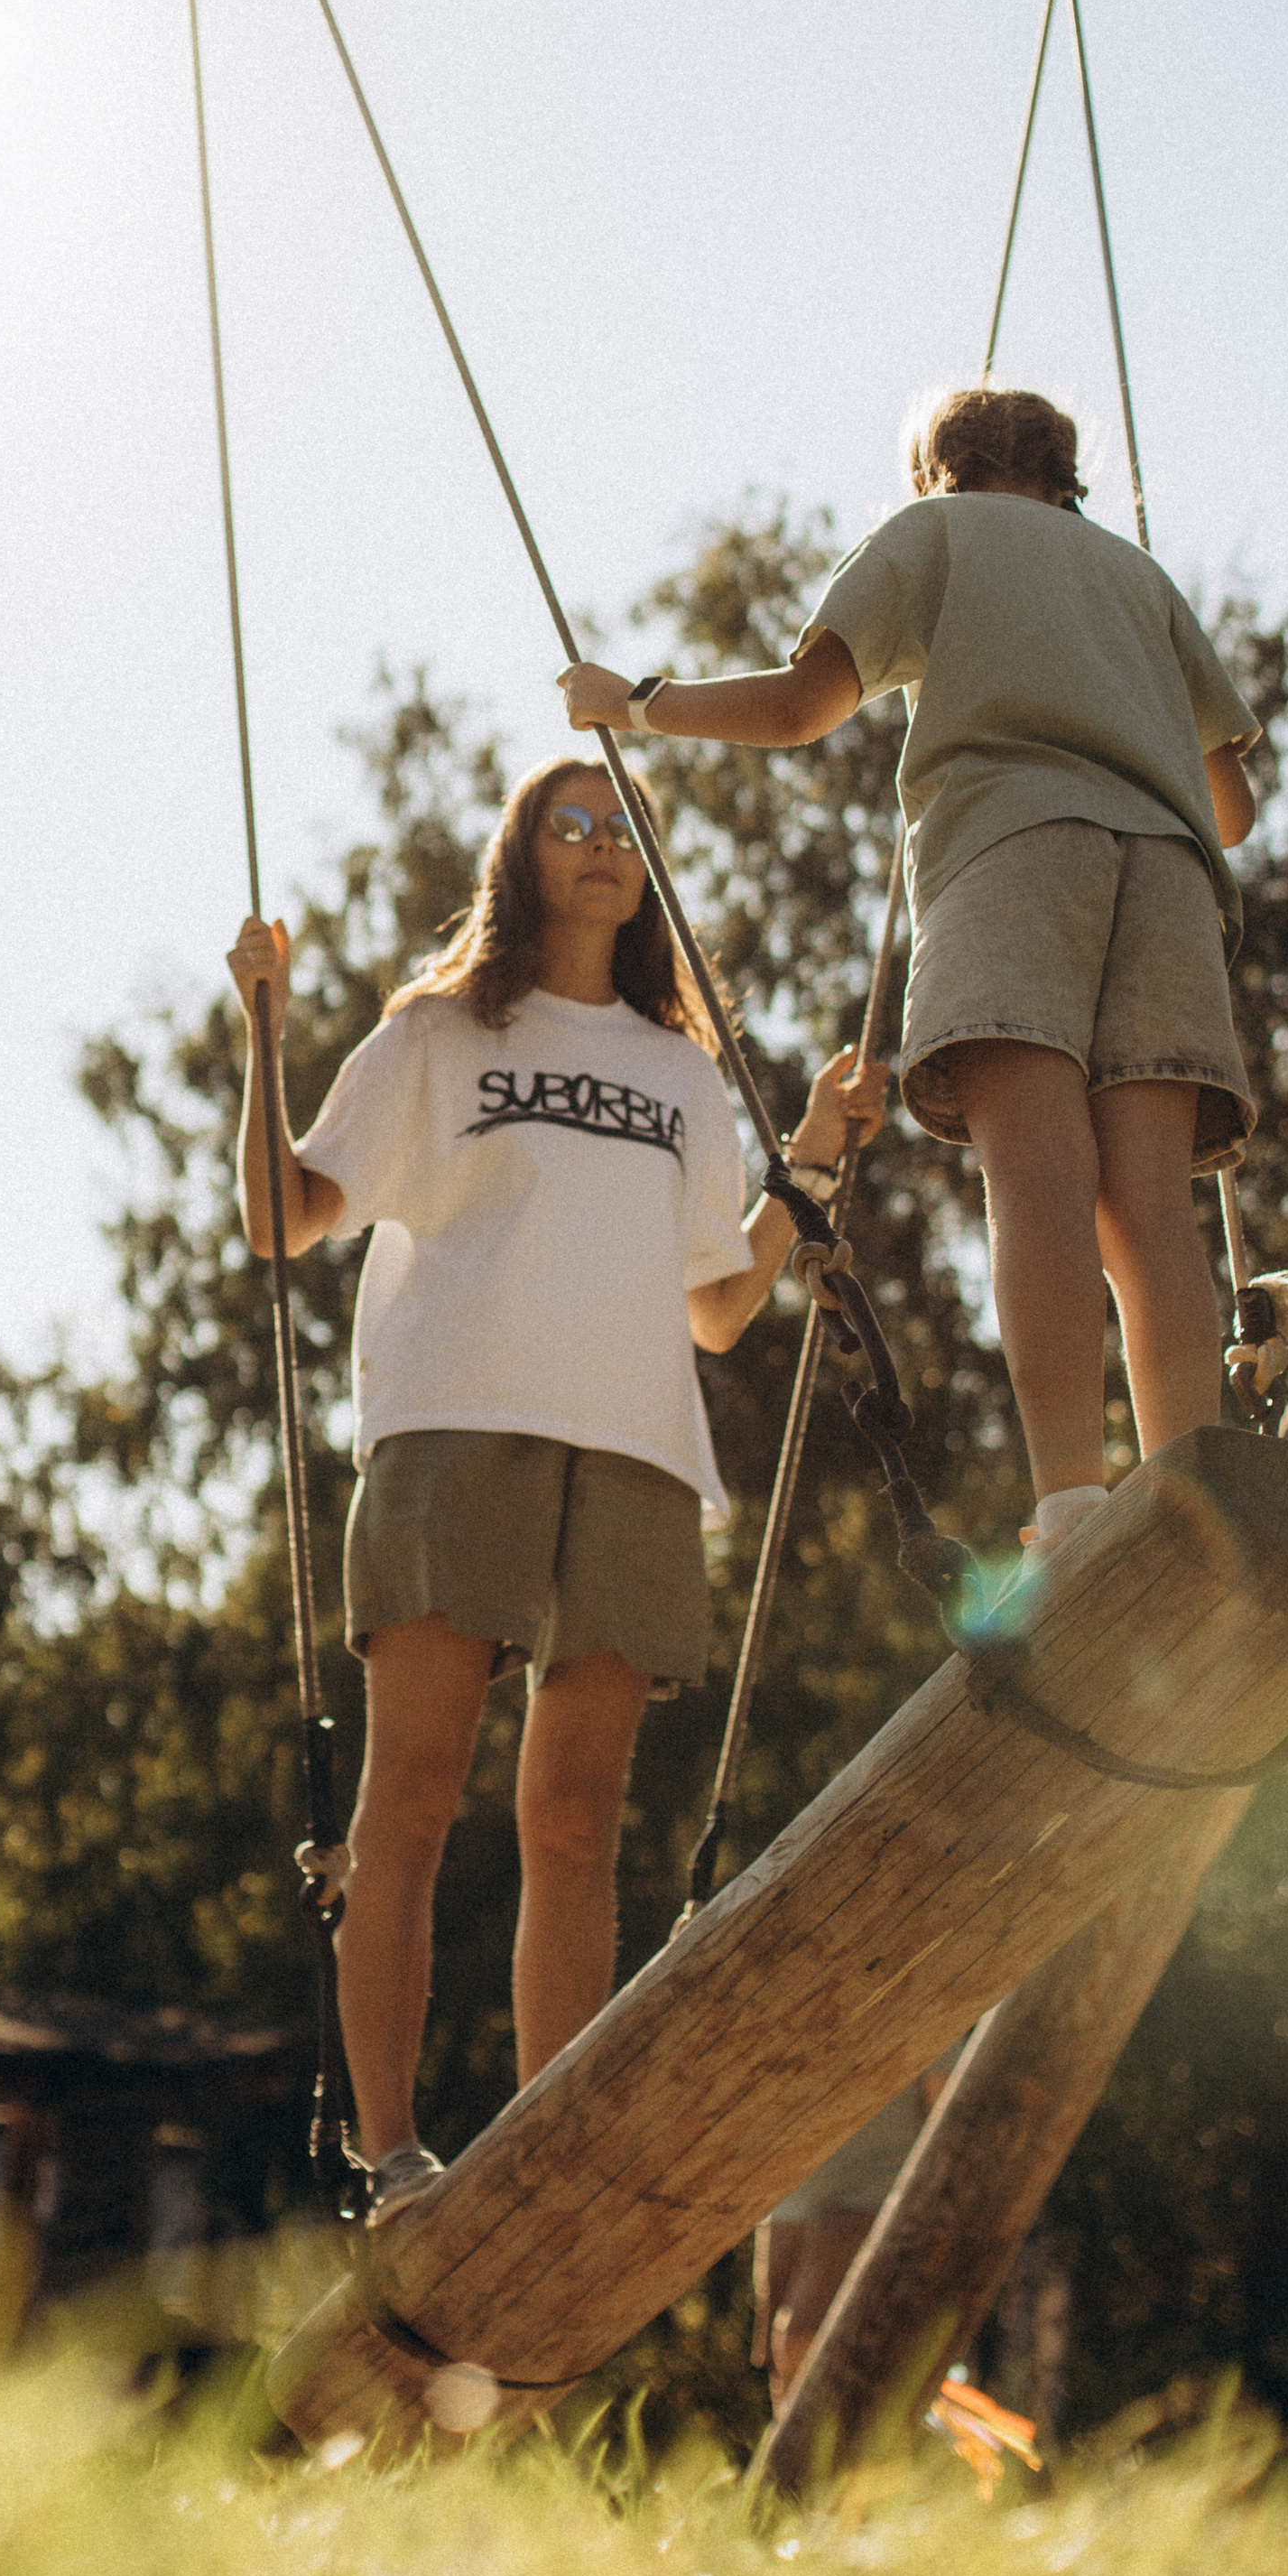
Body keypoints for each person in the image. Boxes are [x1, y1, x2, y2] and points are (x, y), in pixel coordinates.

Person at [229, 753, 883, 2222]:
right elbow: (286, 1217)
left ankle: (546, 2160)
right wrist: (263, 1035)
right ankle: (395, 2159)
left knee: (577, 1819)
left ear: (645, 868)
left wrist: (818, 1163)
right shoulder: (440, 1032)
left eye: (621, 830)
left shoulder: (679, 1069)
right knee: (411, 1797)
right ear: (521, 855)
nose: (598, 848)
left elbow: (720, 1305)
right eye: (568, 825)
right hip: (456, 1420)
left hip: (641, 1447)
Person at [561, 386, 1260, 1555]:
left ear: (940, 470)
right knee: (1149, 1203)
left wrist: (637, 704)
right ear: (1061, 475)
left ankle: (1073, 1504)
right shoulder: (1143, 582)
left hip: (1013, 846)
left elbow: (800, 709)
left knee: (1038, 1171)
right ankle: (1191, 1494)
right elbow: (1231, 808)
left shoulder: (931, 536)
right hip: (1173, 878)